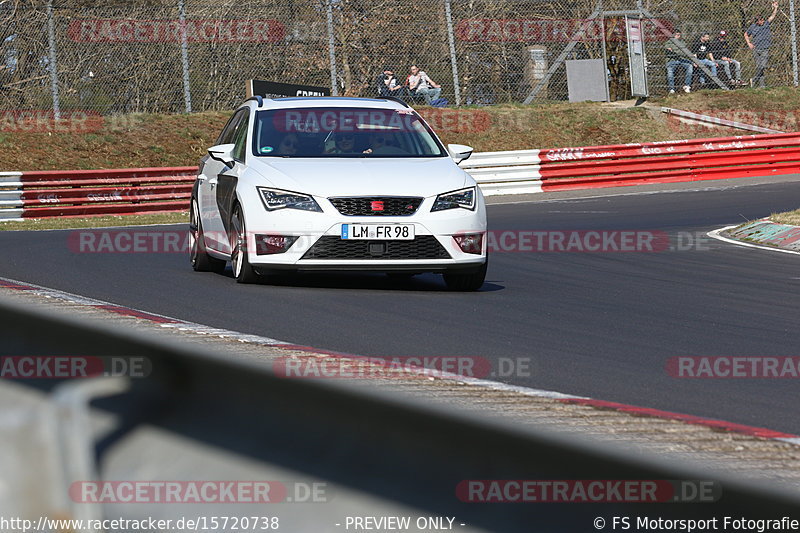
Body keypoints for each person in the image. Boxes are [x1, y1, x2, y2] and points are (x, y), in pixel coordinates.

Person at [745, 1, 779, 88]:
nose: (763, 21)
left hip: (765, 49)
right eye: (761, 20)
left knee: (763, 66)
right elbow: (745, 34)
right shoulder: (752, 27)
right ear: (757, 21)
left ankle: (754, 80)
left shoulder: (766, 23)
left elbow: (773, 16)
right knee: (759, 67)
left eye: (763, 19)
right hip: (756, 49)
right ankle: (762, 86)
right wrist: (749, 43)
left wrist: (775, 8)